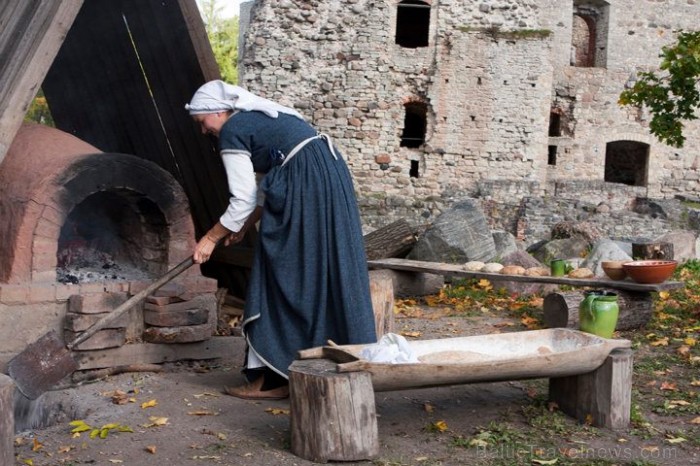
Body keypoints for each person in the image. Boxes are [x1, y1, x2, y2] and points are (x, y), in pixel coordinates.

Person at [185, 80, 378, 400]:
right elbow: (268, 185)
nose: (204, 131)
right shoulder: (264, 120)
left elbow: (243, 198)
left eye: (202, 122)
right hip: (327, 180)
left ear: (218, 112)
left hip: (306, 187)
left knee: (277, 272)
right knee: (316, 273)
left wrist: (209, 238)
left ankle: (272, 376)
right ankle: (316, 365)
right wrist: (245, 227)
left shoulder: (234, 130)